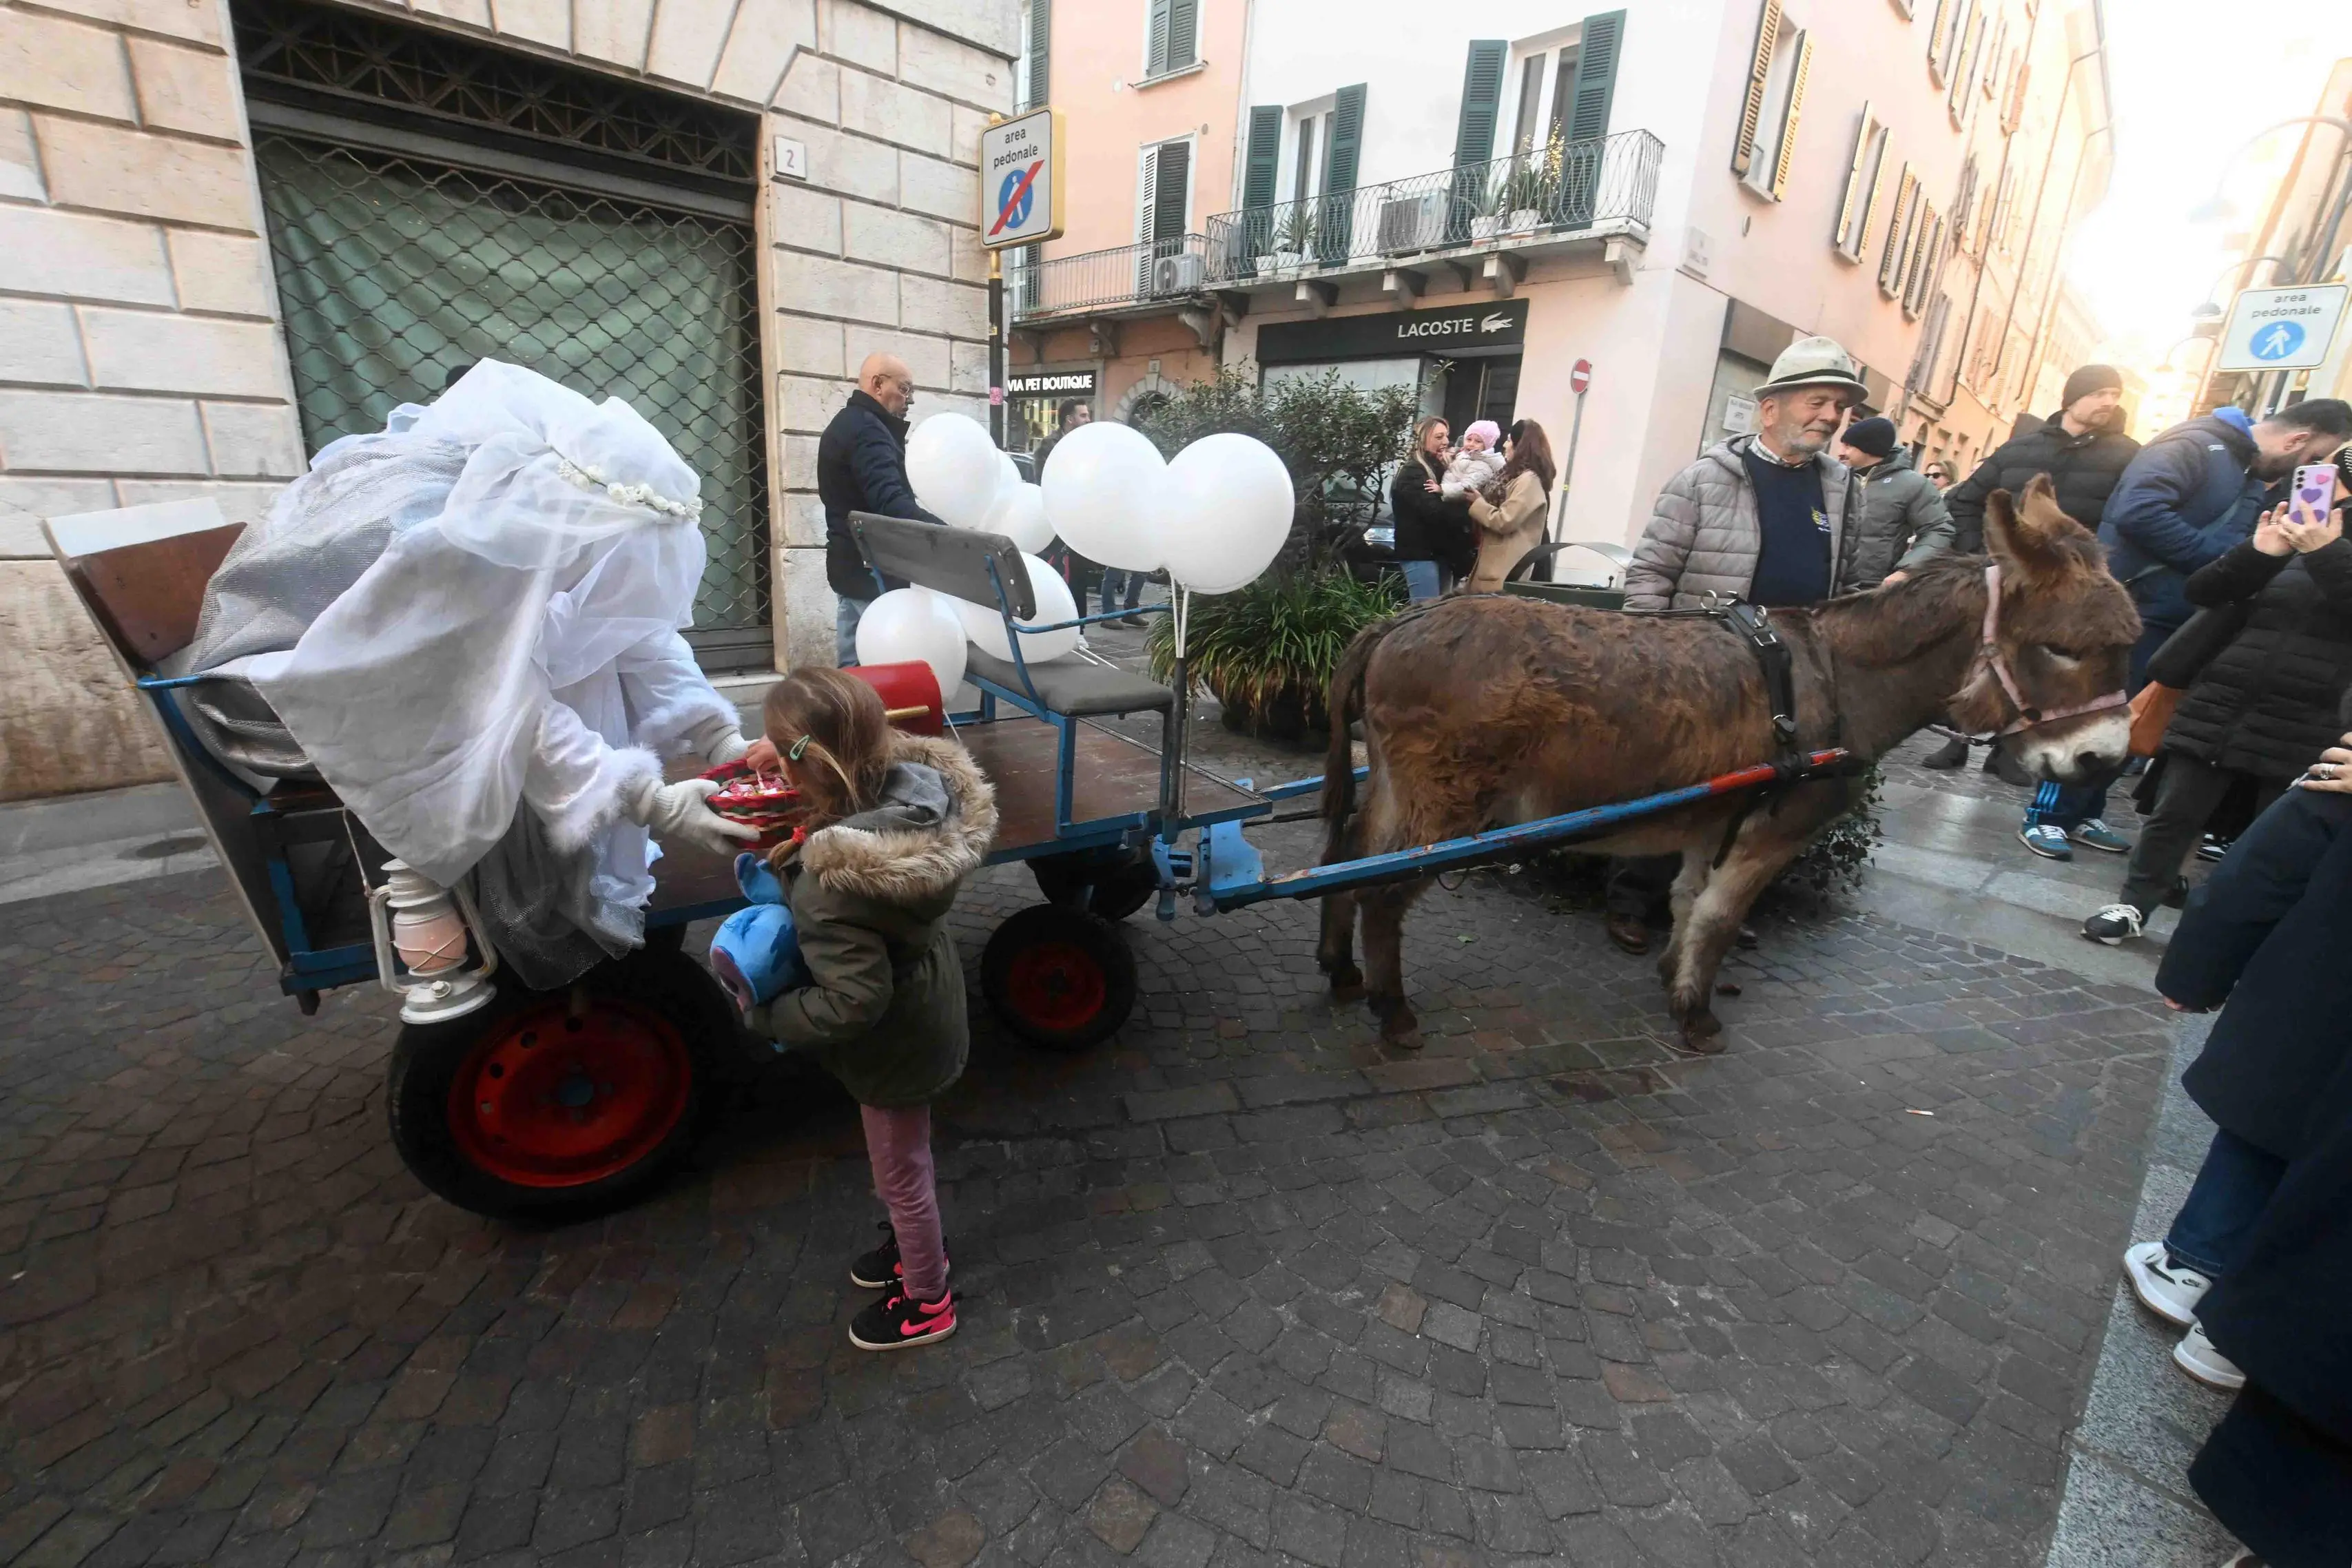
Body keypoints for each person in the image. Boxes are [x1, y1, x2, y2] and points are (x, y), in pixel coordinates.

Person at [2125, 741, 2352, 1565]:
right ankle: (2235, 1320)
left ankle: (2197, 1273)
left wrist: (2196, 969)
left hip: (2306, 1028)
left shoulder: (2338, 785)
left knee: (2262, 1140)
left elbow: (2255, 879)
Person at [739, 668, 996, 1351]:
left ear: (810, 763)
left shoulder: (833, 885)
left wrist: (768, 1017)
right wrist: (788, 752)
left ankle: (927, 1297)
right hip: (926, 1001)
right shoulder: (908, 794)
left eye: (779, 750)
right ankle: (916, 1249)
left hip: (893, 1042)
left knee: (900, 1172)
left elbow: (853, 999)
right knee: (902, 1160)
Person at [1610, 336, 1870, 953]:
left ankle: (1717, 903)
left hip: (1792, 679)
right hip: (1704, 672)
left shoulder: (1843, 488)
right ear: (1770, 408)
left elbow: (1853, 580)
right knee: (1668, 788)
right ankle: (1630, 901)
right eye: (1817, 402)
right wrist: (1659, 660)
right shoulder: (1703, 479)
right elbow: (1649, 576)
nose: (1830, 418)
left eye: (1839, 407)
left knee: (1755, 794)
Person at [2084, 459, 2352, 944]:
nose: (2331, 488)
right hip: (2225, 697)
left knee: (2273, 838)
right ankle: (2134, 904)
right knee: (2174, 815)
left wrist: (2328, 554)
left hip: (2313, 715)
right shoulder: (2290, 523)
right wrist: (2260, 553)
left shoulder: (2326, 546)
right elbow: (2204, 590)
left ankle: (2233, 936)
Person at [1921, 366, 2140, 786]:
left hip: (2067, 593)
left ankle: (2008, 750)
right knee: (1975, 657)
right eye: (2100, 393)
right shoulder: (2019, 448)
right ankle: (1957, 739)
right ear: (2073, 397)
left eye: (2115, 394)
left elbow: (2124, 521)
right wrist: (1981, 556)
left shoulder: (2128, 455)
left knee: (2034, 666)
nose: (2109, 402)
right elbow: (1965, 500)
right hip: (2006, 581)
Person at [2103, 398, 2352, 688]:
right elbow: (2139, 512)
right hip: (2132, 612)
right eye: (2313, 459)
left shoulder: (2252, 472)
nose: (2307, 473)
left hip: (2175, 616)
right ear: (2297, 440)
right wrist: (2221, 561)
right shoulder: (2191, 445)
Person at [818, 353, 945, 666]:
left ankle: (850, 714)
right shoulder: (868, 431)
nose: (909, 400)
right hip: (872, 569)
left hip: (850, 564)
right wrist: (946, 532)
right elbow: (891, 503)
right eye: (904, 389)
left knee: (854, 663)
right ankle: (869, 715)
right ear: (877, 384)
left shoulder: (847, 423)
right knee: (883, 667)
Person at [1831, 415, 1956, 589]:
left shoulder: (1913, 485)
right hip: (1825, 582)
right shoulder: (1834, 477)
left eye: (1848, 446)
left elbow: (1939, 529)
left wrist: (1907, 570)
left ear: (1869, 448)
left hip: (1870, 590)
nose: (1840, 452)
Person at [1388, 415, 1475, 601]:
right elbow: (1434, 512)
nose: (1445, 442)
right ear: (1423, 439)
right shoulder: (1413, 472)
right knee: (1424, 613)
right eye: (1438, 437)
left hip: (1440, 555)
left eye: (1446, 436)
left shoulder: (1439, 468)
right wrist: (1470, 513)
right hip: (1420, 555)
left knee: (1439, 616)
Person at [1464, 419, 1556, 593]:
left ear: (1519, 446)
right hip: (1496, 568)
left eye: (1509, 440)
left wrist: (1478, 503)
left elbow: (1505, 521)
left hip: (1506, 572)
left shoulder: (1528, 480)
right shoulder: (1514, 476)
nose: (1505, 445)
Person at [1441, 419, 1506, 499]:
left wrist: (1442, 490)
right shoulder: (1462, 455)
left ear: (1487, 446)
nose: (1471, 444)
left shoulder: (1482, 465)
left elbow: (1468, 487)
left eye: (1478, 441)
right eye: (1469, 439)